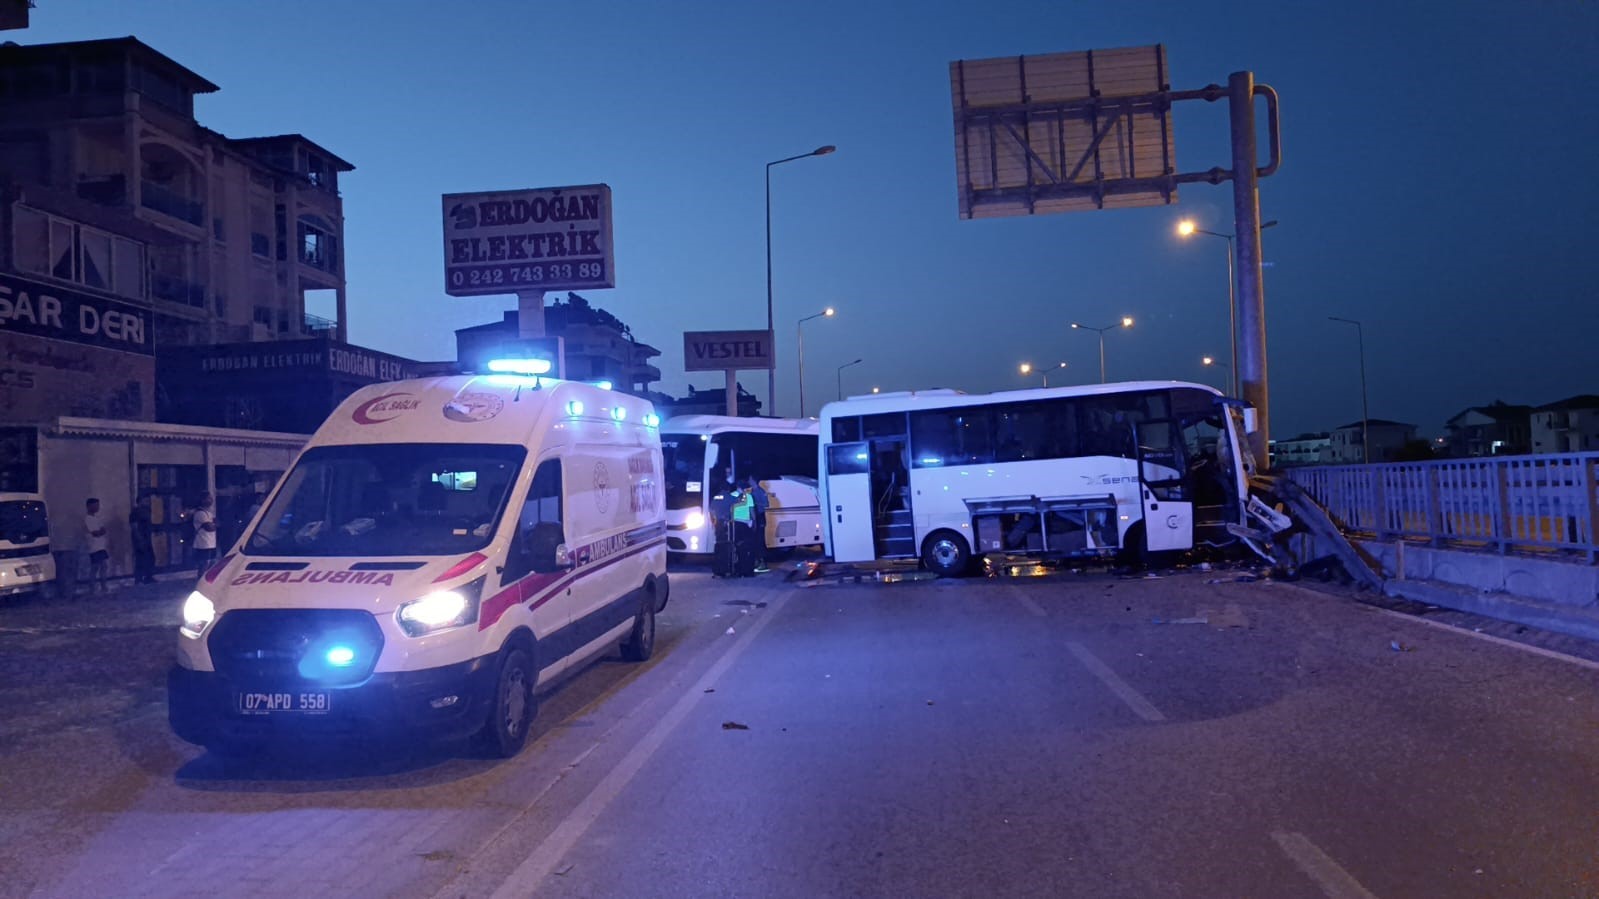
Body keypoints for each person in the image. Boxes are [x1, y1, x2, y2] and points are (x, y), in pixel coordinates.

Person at [83, 497, 109, 594]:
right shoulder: (88, 519)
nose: (98, 507)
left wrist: (101, 531)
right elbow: (96, 533)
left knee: (102, 566)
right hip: (94, 547)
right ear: (89, 506)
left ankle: (99, 587)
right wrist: (101, 531)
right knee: (97, 567)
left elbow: (102, 530)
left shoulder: (96, 518)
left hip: (100, 546)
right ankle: (96, 587)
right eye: (95, 505)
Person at [744, 474, 770, 573]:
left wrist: (755, 504)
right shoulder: (752, 492)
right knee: (755, 540)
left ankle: (763, 563)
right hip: (755, 518)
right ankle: (757, 561)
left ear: (754, 480)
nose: (748, 481)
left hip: (760, 517)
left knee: (760, 540)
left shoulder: (760, 491)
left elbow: (766, 504)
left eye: (750, 479)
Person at [129, 498, 156, 584]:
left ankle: (148, 576)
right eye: (145, 500)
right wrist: (139, 538)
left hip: (147, 538)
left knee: (150, 558)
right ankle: (139, 578)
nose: (147, 502)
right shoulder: (135, 512)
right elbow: (134, 527)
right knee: (140, 559)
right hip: (140, 539)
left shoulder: (146, 511)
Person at [192, 492, 218, 577]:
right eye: (208, 498)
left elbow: (216, 524)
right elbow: (210, 527)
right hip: (203, 544)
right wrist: (214, 525)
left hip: (211, 543)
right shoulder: (200, 513)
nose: (210, 500)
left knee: (212, 562)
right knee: (204, 564)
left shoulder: (208, 513)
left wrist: (214, 524)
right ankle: (200, 580)